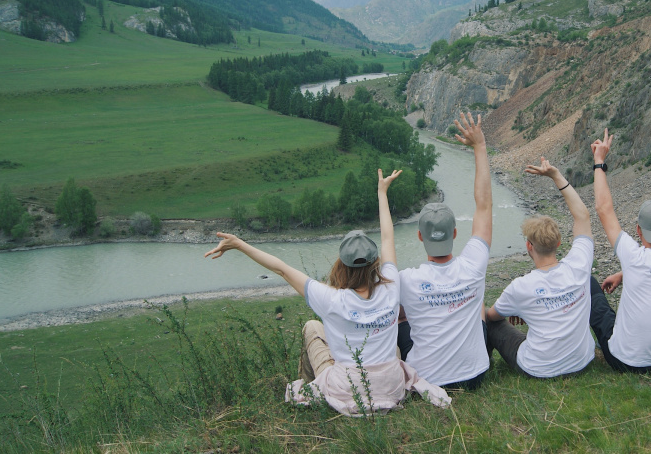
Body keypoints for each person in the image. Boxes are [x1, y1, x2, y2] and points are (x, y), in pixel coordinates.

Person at [204, 169, 450, 416]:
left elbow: (281, 269)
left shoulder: (331, 299)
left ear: (341, 265)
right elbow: (388, 238)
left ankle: (313, 397)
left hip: (349, 389)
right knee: (388, 349)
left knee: (312, 326)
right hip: (389, 387)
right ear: (375, 263)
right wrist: (382, 192)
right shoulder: (391, 287)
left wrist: (239, 244)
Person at [397, 112, 492, 389]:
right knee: (478, 306)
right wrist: (480, 146)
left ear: (418, 236)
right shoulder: (474, 264)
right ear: (454, 233)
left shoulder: (408, 280)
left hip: (430, 381)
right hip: (475, 376)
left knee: (401, 323)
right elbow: (484, 205)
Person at [484, 156, 596, 378]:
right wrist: (556, 175)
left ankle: (480, 367)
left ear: (528, 246)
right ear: (559, 243)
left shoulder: (521, 287)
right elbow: (583, 216)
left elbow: (493, 317)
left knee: (487, 318)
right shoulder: (579, 265)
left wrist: (521, 308)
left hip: (537, 369)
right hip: (581, 361)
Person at [590, 128, 651, 373]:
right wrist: (624, 275)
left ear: (638, 230)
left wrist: (599, 161)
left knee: (591, 288)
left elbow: (604, 209)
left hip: (625, 362)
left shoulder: (633, 256)